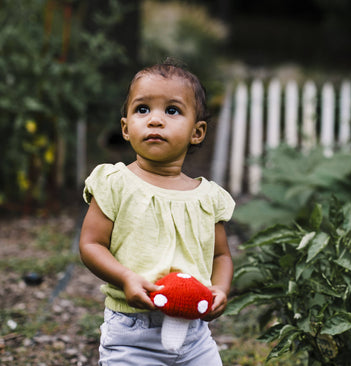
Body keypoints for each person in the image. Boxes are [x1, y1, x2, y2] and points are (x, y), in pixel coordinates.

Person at [79, 59, 235, 365]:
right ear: (125, 128)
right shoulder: (116, 183)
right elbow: (90, 244)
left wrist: (220, 287)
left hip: (195, 334)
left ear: (197, 132)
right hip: (133, 331)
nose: (155, 120)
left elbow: (221, 256)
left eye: (172, 110)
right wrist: (125, 277)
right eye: (142, 109)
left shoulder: (207, 197)